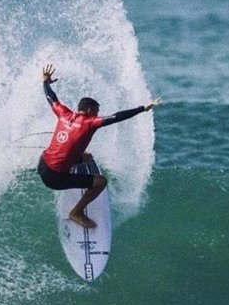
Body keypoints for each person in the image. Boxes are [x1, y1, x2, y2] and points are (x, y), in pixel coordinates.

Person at [37, 64, 162, 228]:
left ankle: (70, 170)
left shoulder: (64, 113)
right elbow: (117, 117)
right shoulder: (90, 123)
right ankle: (76, 212)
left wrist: (45, 82)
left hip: (42, 164)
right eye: (96, 111)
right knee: (101, 182)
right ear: (89, 110)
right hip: (54, 178)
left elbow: (51, 97)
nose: (97, 114)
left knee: (87, 157)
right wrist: (143, 108)